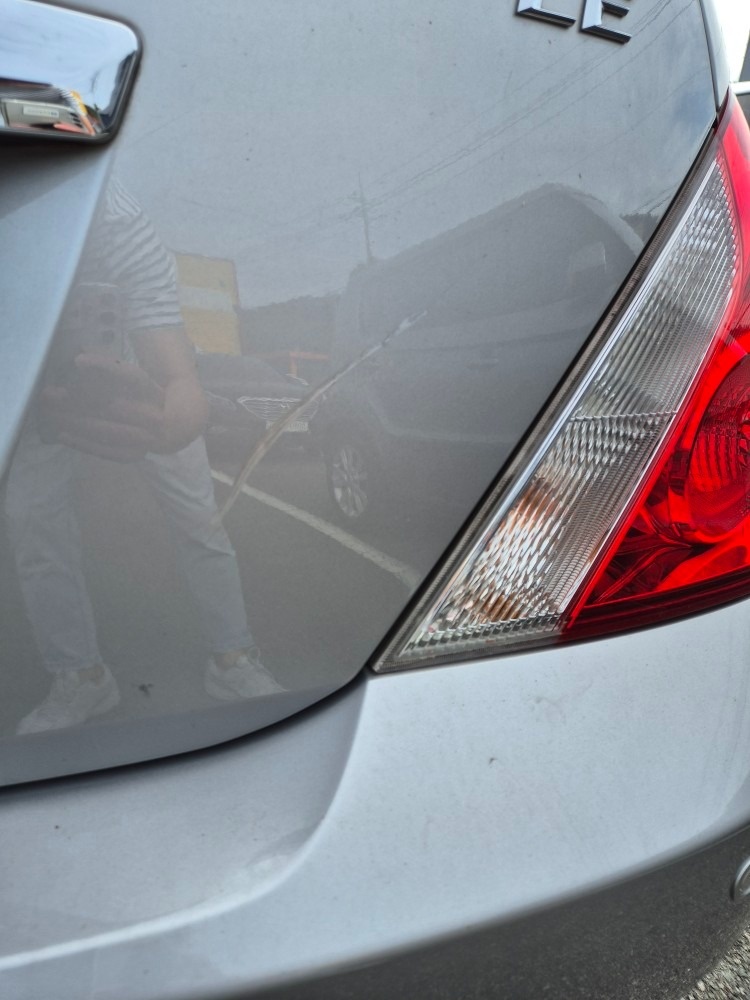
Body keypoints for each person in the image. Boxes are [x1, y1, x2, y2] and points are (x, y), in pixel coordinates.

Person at [5, 179, 282, 736]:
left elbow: (174, 364)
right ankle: (81, 677)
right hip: (29, 385)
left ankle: (233, 659)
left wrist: (181, 409)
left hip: (137, 380)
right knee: (33, 524)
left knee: (200, 517)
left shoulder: (112, 218)